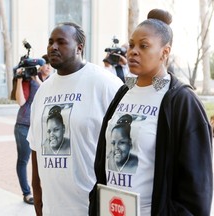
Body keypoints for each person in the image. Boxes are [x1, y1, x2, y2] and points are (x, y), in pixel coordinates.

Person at [89, 9, 213, 216]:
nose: (133, 51)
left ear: (165, 52)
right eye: (131, 45)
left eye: (143, 46)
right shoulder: (123, 92)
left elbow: (197, 187)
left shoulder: (182, 101)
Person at [27, 22, 123, 216]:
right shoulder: (43, 91)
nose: (53, 47)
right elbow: (36, 149)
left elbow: (124, 149)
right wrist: (38, 199)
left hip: (92, 206)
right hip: (53, 207)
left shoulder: (105, 84)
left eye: (61, 42)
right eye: (50, 42)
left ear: (79, 47)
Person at [13, 62, 44, 204]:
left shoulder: (45, 80)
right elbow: (20, 101)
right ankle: (26, 192)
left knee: (41, 161)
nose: (47, 67)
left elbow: (45, 91)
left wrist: (36, 78)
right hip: (24, 125)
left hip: (40, 126)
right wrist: (19, 79)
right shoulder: (25, 81)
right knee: (23, 160)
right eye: (45, 65)